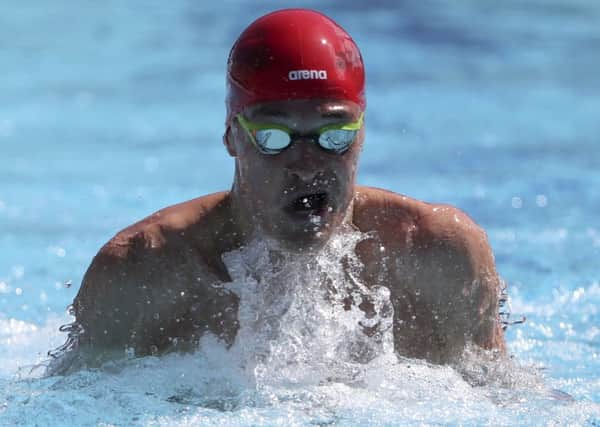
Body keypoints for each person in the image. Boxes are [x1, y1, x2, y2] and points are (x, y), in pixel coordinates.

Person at [61, 8, 506, 370]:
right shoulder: (139, 276)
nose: (307, 164)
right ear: (232, 137)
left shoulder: (440, 257)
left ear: (363, 132)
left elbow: (514, 404)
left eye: (334, 134)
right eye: (274, 136)